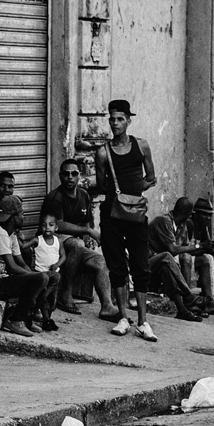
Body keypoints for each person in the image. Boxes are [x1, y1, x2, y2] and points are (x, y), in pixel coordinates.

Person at [94, 99, 158, 342]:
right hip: (111, 212)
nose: (115, 123)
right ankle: (123, 317)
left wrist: (131, 195)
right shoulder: (102, 152)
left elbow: (150, 177)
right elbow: (102, 185)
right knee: (116, 264)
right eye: (112, 119)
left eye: (120, 119)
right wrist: (121, 195)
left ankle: (143, 321)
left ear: (129, 121)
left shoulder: (141, 146)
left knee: (141, 264)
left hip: (136, 213)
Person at [40, 159, 119, 319]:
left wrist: (87, 233)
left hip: (75, 244)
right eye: (66, 174)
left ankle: (107, 306)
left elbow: (86, 220)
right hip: (52, 242)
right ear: (60, 176)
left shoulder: (83, 194)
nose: (70, 177)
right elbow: (58, 225)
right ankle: (66, 295)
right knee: (77, 243)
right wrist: (88, 231)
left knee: (100, 261)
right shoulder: (55, 198)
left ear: (79, 176)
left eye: (74, 173)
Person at [0, 195, 45, 337]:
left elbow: (21, 262)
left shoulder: (11, 235)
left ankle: (27, 317)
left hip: (4, 279)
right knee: (40, 279)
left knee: (49, 278)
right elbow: (13, 266)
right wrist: (35, 277)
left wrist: (38, 277)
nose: (24, 217)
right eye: (22, 214)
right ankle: (15, 320)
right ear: (14, 218)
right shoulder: (1, 234)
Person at [148, 197, 205, 322]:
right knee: (167, 256)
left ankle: (182, 310)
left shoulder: (181, 225)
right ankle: (188, 295)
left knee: (166, 267)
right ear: (188, 213)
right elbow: (173, 250)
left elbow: (185, 249)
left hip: (160, 266)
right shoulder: (163, 221)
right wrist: (197, 246)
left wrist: (206, 248)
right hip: (146, 264)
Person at [179, 198, 214, 315]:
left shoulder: (203, 227)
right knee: (206, 259)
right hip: (182, 257)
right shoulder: (188, 224)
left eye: (209, 216)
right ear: (195, 214)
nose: (207, 218)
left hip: (193, 256)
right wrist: (204, 248)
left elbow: (205, 246)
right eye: (204, 215)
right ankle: (194, 300)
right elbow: (184, 250)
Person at [25, 213, 66, 332]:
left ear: (56, 228)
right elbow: (24, 246)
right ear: (40, 227)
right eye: (44, 225)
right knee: (44, 298)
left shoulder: (58, 241)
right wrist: (19, 238)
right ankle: (46, 319)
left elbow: (63, 256)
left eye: (51, 225)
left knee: (52, 300)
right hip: (41, 275)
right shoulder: (38, 240)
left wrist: (57, 264)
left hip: (54, 277)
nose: (47, 227)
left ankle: (47, 318)